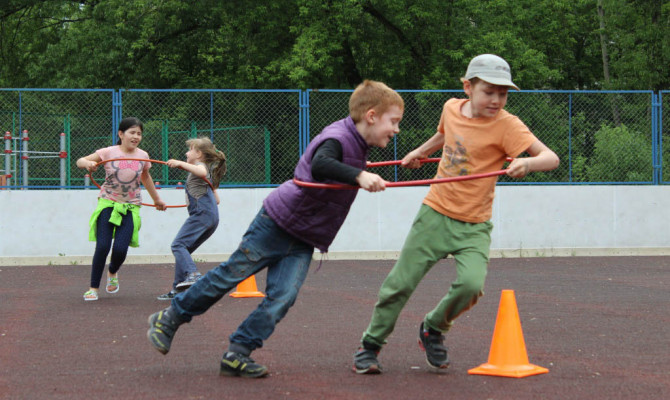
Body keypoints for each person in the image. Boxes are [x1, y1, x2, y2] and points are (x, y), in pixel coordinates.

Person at [146, 80, 404, 378]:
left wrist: (366, 167)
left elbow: (337, 165)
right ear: (371, 116)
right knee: (230, 275)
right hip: (277, 224)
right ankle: (170, 317)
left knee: (282, 297)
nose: (396, 129)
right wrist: (359, 175)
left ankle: (237, 353)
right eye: (394, 122)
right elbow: (321, 165)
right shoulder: (337, 137)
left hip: (304, 236)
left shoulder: (356, 143)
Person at [352, 54, 560, 374]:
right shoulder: (451, 108)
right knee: (400, 283)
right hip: (435, 212)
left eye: (502, 94)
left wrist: (527, 163)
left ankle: (433, 328)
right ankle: (370, 346)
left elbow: (551, 158)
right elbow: (444, 135)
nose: (496, 100)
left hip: (474, 224)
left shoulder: (508, 125)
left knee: (471, 285)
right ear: (468, 87)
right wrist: (421, 152)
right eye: (488, 91)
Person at [76, 117, 166, 301]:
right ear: (121, 134)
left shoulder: (143, 155)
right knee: (102, 246)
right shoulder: (108, 152)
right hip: (108, 203)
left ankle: (112, 271)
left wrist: (157, 199)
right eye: (132, 132)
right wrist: (87, 164)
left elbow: (146, 178)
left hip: (131, 206)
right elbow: (80, 161)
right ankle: (93, 288)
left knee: (120, 249)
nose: (136, 137)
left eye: (139, 133)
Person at [157, 137, 227, 301]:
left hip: (202, 214)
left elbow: (201, 171)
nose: (186, 153)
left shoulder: (201, 167)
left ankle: (194, 275)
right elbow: (216, 200)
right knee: (184, 249)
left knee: (178, 244)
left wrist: (179, 163)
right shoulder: (205, 172)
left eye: (190, 150)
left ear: (199, 154)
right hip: (211, 217)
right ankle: (178, 288)